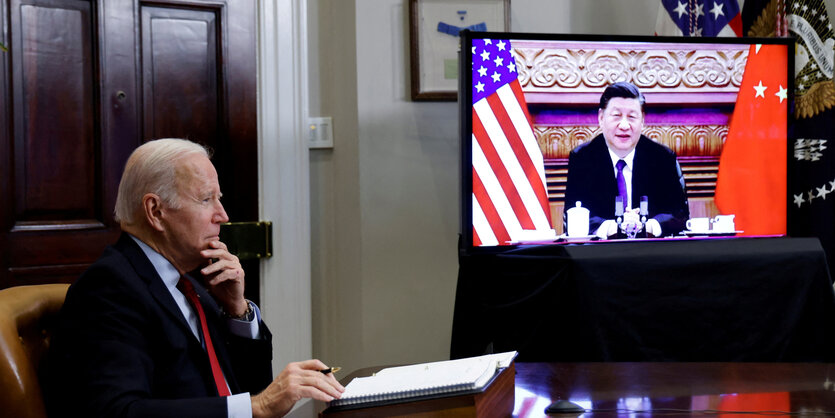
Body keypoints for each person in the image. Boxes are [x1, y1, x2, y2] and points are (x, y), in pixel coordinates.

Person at [47, 138, 344, 417]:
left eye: (220, 199)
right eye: (206, 199)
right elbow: (120, 411)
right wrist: (260, 406)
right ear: (156, 211)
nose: (223, 215)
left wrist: (237, 311)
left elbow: (247, 392)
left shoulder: (193, 283)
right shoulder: (109, 288)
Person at [563, 81, 689, 238]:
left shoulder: (661, 157)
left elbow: (680, 214)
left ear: (642, 120)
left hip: (653, 253)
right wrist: (613, 228)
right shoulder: (583, 158)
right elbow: (573, 214)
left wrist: (646, 226)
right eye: (616, 116)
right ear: (601, 118)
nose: (624, 125)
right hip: (599, 255)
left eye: (631, 117)